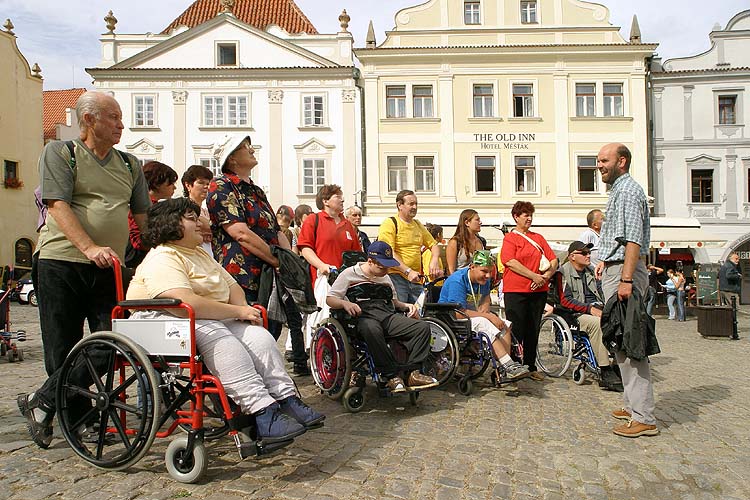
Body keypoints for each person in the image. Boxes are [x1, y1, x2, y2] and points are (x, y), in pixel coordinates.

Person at [126, 198, 324, 444]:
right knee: (222, 340)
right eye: (192, 218)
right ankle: (262, 410)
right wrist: (238, 312)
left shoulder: (199, 253)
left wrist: (242, 309)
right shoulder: (163, 256)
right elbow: (184, 303)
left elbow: (231, 286)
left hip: (201, 317)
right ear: (170, 223)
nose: (200, 223)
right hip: (165, 318)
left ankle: (286, 399)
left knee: (258, 337)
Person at [18, 91, 151, 448]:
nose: (122, 124)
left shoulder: (130, 164)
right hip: (61, 261)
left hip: (111, 267)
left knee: (114, 343)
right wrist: (89, 246)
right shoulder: (61, 153)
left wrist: (162, 250)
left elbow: (143, 217)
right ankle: (78, 420)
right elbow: (58, 204)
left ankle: (42, 402)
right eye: (114, 117)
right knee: (61, 350)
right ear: (89, 120)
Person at [594, 142, 658, 438]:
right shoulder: (619, 191)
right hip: (617, 268)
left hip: (625, 272)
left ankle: (643, 416)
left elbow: (632, 240)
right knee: (620, 340)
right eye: (598, 160)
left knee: (630, 342)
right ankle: (632, 405)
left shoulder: (629, 191)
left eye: (603, 160)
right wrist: (605, 262)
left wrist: (626, 279)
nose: (599, 165)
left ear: (621, 161)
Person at [326, 241, 439, 392]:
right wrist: (345, 304)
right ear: (370, 261)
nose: (386, 270)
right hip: (361, 317)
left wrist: (407, 306)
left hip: (386, 314)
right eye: (382, 266)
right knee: (372, 329)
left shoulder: (385, 277)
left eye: (388, 266)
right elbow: (330, 299)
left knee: (422, 327)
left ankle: (413, 372)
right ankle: (390, 375)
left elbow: (394, 302)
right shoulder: (349, 274)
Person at [206, 134, 289, 304]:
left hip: (269, 277)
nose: (252, 149)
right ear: (232, 159)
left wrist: (289, 260)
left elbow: (276, 231)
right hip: (242, 278)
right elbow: (240, 233)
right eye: (245, 146)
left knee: (272, 327)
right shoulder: (221, 185)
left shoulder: (256, 190)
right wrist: (277, 260)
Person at [439, 249, 529, 380]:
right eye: (484, 271)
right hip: (452, 318)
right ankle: (508, 365)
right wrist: (489, 316)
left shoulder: (484, 281)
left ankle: (503, 368)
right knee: (485, 322)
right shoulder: (457, 281)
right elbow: (458, 313)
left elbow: (486, 296)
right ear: (472, 267)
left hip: (472, 316)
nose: (487, 276)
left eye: (490, 272)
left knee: (504, 325)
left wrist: (486, 305)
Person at [500, 201, 558, 381]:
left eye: (530, 215)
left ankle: (531, 365)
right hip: (516, 290)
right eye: (525, 215)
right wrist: (533, 276)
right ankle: (514, 365)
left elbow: (553, 260)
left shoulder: (538, 238)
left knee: (533, 329)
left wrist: (546, 276)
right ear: (516, 217)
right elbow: (509, 260)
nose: (529, 218)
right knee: (516, 329)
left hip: (538, 291)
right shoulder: (511, 238)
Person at [558, 241, 622, 391]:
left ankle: (618, 365)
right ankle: (605, 369)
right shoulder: (563, 272)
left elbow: (602, 293)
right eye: (584, 253)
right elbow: (565, 300)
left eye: (589, 253)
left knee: (619, 319)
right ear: (572, 256)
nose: (589, 255)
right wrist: (589, 309)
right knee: (597, 323)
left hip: (595, 308)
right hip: (574, 314)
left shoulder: (591, 271)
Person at [377, 190, 442, 303]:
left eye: (416, 204)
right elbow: (388, 252)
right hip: (396, 276)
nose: (414, 207)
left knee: (420, 311)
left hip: (415, 278)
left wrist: (434, 261)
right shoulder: (390, 223)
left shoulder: (417, 224)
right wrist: (407, 271)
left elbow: (434, 245)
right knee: (400, 311)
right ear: (399, 205)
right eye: (411, 204)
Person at [297, 184, 362, 286]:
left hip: (346, 284)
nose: (342, 200)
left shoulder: (347, 224)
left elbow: (357, 254)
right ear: (325, 201)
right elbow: (305, 249)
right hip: (322, 281)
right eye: (338, 197)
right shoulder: (313, 220)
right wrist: (321, 266)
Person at [125, 161, 178, 268]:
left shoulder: (155, 205)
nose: (174, 187)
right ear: (157, 183)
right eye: (171, 182)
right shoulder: (140, 207)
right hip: (138, 261)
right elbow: (138, 241)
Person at [181, 164, 214, 255]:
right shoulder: (183, 208)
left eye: (207, 183)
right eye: (201, 183)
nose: (206, 187)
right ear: (188, 185)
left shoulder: (206, 211)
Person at [445, 209, 486, 275]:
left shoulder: (480, 241)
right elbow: (450, 269)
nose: (480, 222)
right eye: (477, 220)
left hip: (476, 282)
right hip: (459, 282)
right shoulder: (455, 242)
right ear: (467, 223)